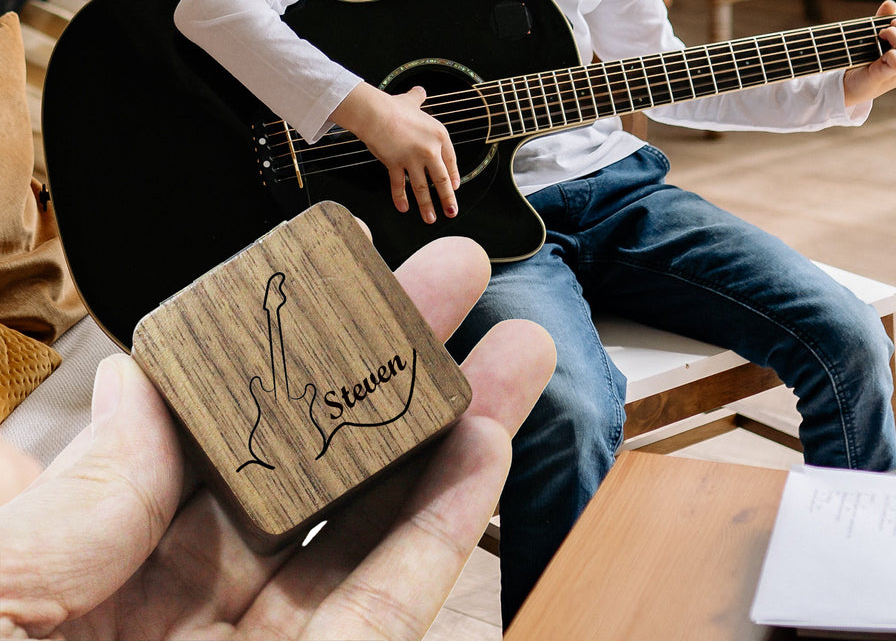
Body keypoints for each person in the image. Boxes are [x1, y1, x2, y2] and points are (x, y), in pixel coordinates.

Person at [173, 0, 896, 623]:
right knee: (578, 412)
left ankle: (865, 605)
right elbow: (216, 2)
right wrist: (365, 109)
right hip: (480, 227)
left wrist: (842, 88)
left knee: (845, 341)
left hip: (617, 190)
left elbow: (671, 78)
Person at [0, 236, 556, 640]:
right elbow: (280, 371)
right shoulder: (284, 415)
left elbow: (286, 371)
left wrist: (275, 313)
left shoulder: (307, 409)